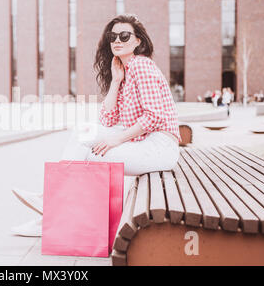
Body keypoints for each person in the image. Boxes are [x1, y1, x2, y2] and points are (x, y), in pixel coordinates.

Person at [11, 14, 181, 237]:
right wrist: (115, 81)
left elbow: (154, 116)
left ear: (138, 41)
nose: (117, 40)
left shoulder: (142, 65)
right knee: (83, 139)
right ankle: (50, 212)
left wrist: (116, 139)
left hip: (159, 147)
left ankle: (50, 209)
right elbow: (107, 120)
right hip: (145, 143)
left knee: (86, 156)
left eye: (124, 35)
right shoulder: (126, 73)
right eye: (113, 36)